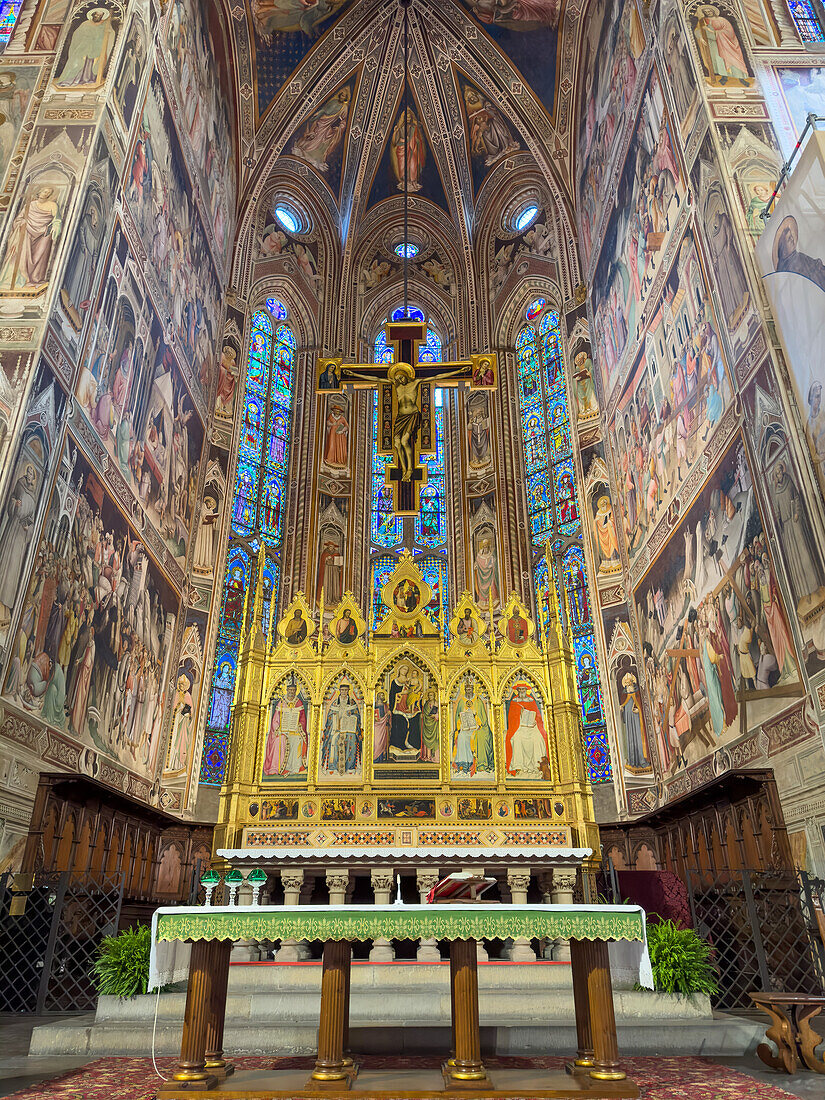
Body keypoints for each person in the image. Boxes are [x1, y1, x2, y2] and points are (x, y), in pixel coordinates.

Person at [505, 683, 549, 778]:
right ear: (517, 691)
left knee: (538, 738)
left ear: (526, 690)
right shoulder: (514, 702)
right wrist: (519, 717)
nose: (521, 691)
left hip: (532, 727)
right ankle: (519, 766)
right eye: (519, 689)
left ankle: (537, 766)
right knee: (516, 738)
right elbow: (512, 719)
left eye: (523, 689)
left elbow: (538, 716)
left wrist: (535, 722)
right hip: (519, 727)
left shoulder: (531, 701)